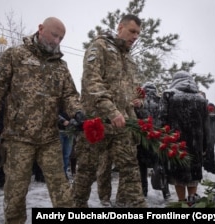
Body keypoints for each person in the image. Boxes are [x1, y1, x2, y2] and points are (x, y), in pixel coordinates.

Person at [0, 17, 85, 223]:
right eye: (54, 35)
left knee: (62, 191)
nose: (57, 41)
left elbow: (70, 95)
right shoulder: (15, 55)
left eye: (61, 38)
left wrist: (77, 112)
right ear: (40, 29)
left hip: (49, 140)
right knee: (15, 194)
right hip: (18, 138)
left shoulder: (60, 66)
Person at [73, 14, 147, 208]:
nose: (135, 36)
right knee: (86, 173)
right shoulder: (100, 47)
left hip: (122, 126)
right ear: (120, 27)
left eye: (138, 33)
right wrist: (112, 111)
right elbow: (92, 82)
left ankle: (136, 206)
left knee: (130, 169)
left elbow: (130, 93)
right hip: (98, 123)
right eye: (132, 31)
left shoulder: (129, 59)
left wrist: (136, 104)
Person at [159, 71, 209, 206]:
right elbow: (206, 125)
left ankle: (181, 203)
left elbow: (162, 120)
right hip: (196, 143)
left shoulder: (168, 95)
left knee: (178, 174)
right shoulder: (200, 98)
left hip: (175, 142)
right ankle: (192, 201)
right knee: (194, 172)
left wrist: (163, 140)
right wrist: (204, 146)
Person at [135, 82, 170, 199]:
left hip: (143, 139)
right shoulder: (160, 101)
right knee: (160, 165)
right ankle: (166, 191)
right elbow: (165, 118)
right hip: (158, 138)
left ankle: (143, 191)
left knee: (142, 166)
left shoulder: (140, 102)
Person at [58, 110, 75, 178]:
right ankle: (59, 174)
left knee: (67, 154)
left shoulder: (71, 101)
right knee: (59, 154)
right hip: (59, 131)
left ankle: (64, 174)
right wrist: (62, 120)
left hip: (70, 131)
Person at [203, 103, 215, 174]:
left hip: (210, 139)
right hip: (208, 139)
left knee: (209, 154)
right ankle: (209, 170)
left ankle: (209, 170)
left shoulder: (208, 118)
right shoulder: (206, 118)